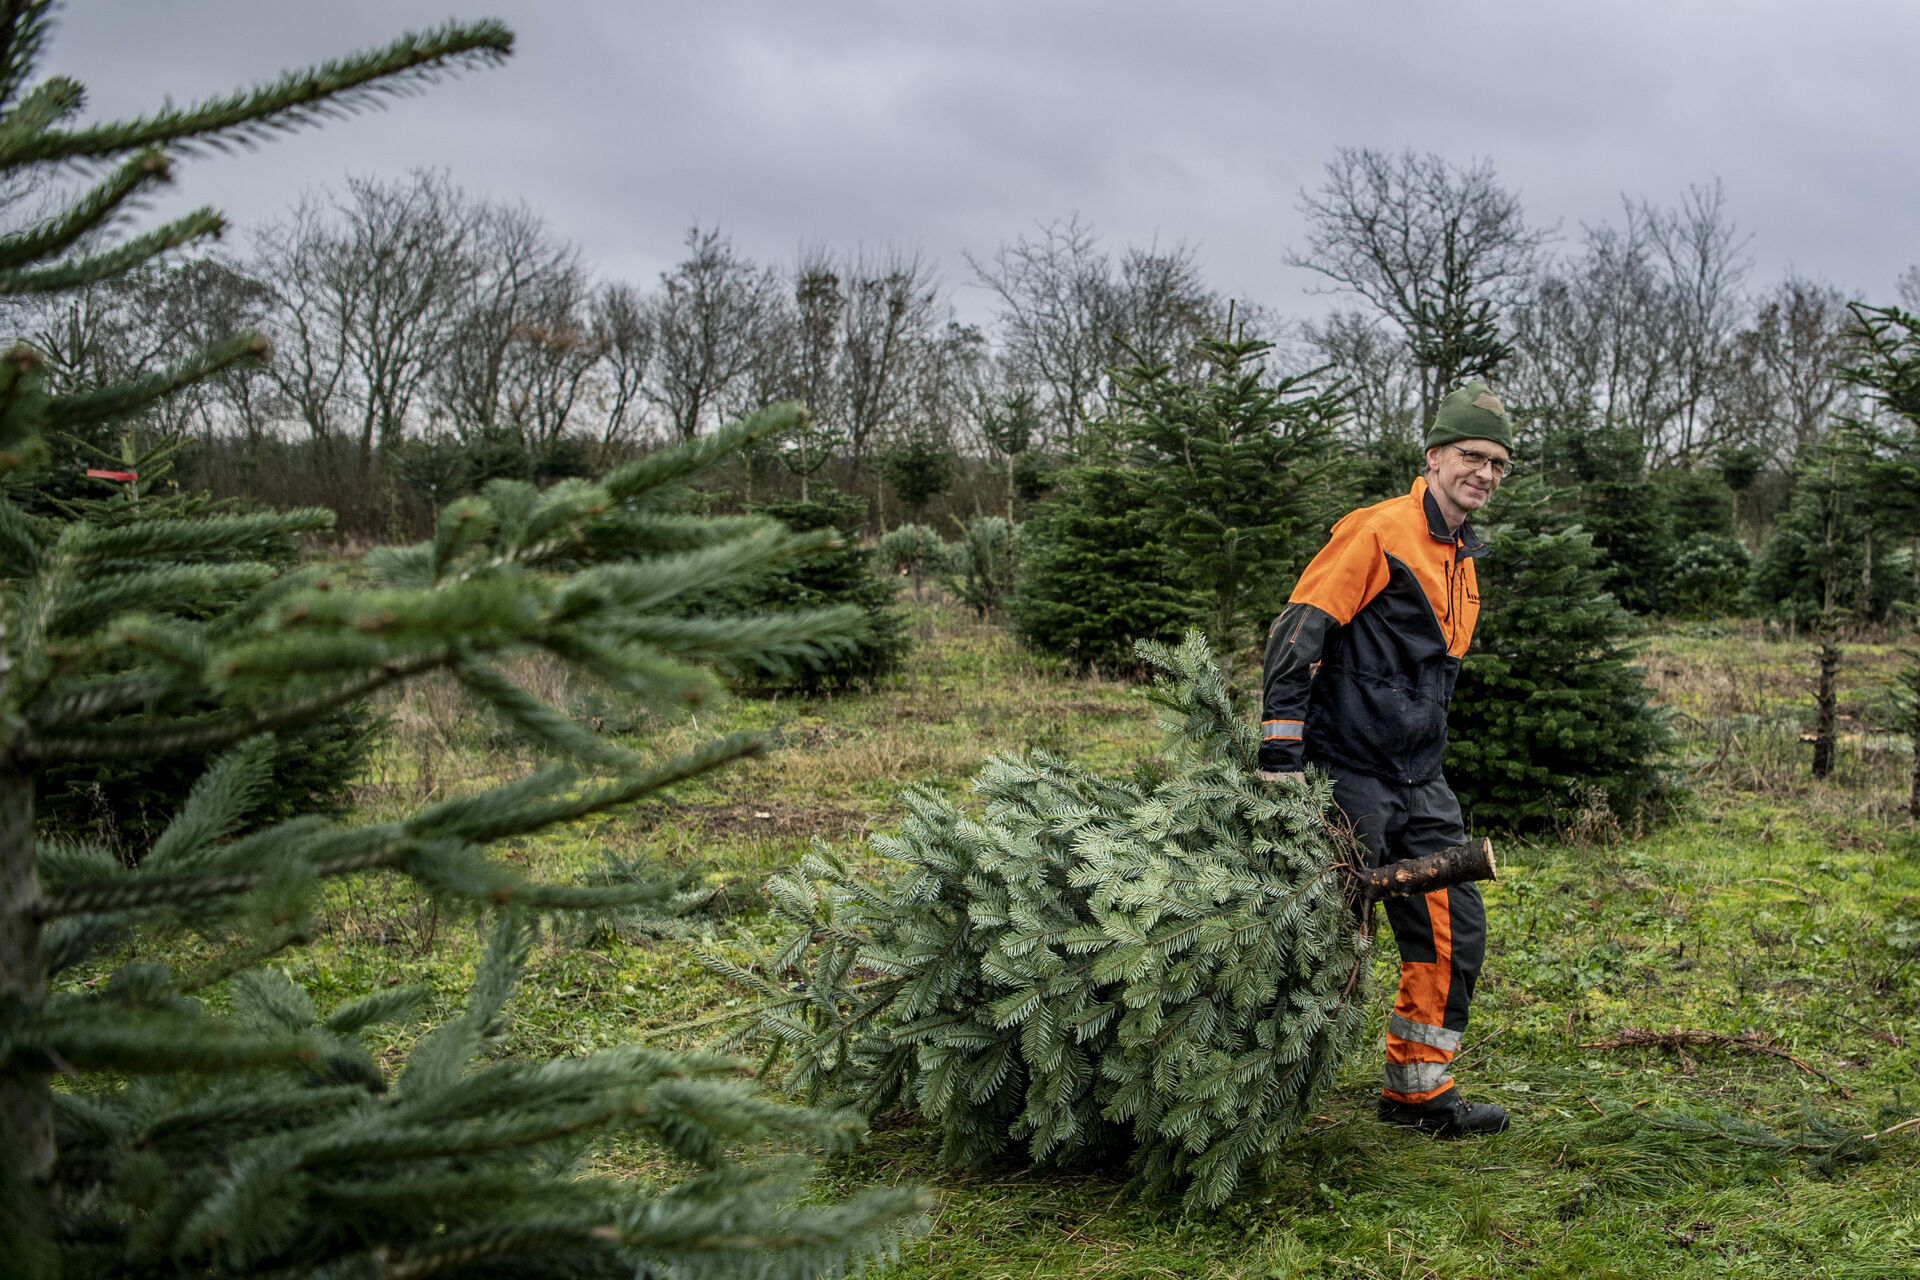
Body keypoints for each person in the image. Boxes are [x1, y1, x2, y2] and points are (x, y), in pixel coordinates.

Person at [1257, 380, 1514, 1137]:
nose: (1486, 473)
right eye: (1472, 456)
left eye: (1499, 463)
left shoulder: (1464, 558)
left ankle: (1417, 1092)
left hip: (1421, 784)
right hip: (1347, 777)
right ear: (1434, 456)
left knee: (1453, 931)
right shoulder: (1379, 531)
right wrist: (1281, 756)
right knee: (1318, 939)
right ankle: (1252, 1096)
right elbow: (1299, 632)